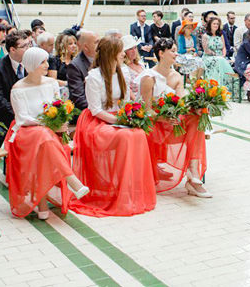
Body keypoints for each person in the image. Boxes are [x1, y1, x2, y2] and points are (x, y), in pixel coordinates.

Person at [70, 36, 155, 217]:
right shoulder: (94, 77)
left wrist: (130, 116)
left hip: (119, 117)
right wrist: (118, 122)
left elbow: (124, 101)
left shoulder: (123, 71)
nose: (124, 54)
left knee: (139, 134)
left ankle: (129, 186)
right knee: (124, 136)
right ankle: (114, 186)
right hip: (97, 121)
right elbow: (95, 110)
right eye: (120, 51)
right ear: (112, 54)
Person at [7, 47, 89, 219]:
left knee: (45, 144)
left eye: (46, 61)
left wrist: (60, 123)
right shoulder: (18, 88)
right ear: (32, 64)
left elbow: (57, 106)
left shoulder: (51, 83)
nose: (47, 65)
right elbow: (22, 118)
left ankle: (42, 204)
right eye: (42, 62)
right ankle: (72, 180)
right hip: (26, 132)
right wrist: (49, 126)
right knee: (43, 136)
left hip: (49, 134)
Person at [139, 38, 210, 198]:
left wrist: (196, 106)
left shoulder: (176, 76)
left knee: (196, 118)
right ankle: (192, 176)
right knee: (190, 123)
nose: (176, 54)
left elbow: (182, 102)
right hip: (155, 124)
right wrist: (163, 119)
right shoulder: (149, 77)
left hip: (172, 123)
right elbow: (147, 110)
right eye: (172, 50)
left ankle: (193, 174)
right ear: (161, 53)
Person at [0, 31, 33, 140]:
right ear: (12, 49)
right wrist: (20, 114)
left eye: (29, 45)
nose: (28, 49)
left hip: (28, 115)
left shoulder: (31, 64)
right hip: (5, 117)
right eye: (24, 46)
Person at [67, 30, 97, 111]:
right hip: (87, 112)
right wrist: (100, 110)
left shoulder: (104, 60)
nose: (100, 45)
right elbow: (79, 99)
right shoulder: (75, 66)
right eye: (96, 42)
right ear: (86, 47)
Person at [201, 15, 234, 83]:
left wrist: (223, 55)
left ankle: (228, 84)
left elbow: (224, 47)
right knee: (219, 60)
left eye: (217, 24)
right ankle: (216, 84)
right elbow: (206, 51)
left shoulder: (220, 35)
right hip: (209, 57)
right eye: (214, 24)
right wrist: (217, 56)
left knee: (222, 61)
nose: (216, 25)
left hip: (221, 57)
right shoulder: (205, 36)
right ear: (210, 25)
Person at [120, 35, 147, 100]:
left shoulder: (140, 63)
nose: (134, 51)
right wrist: (137, 103)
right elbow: (127, 89)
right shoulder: (123, 68)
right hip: (134, 103)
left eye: (135, 48)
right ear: (124, 52)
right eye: (130, 49)